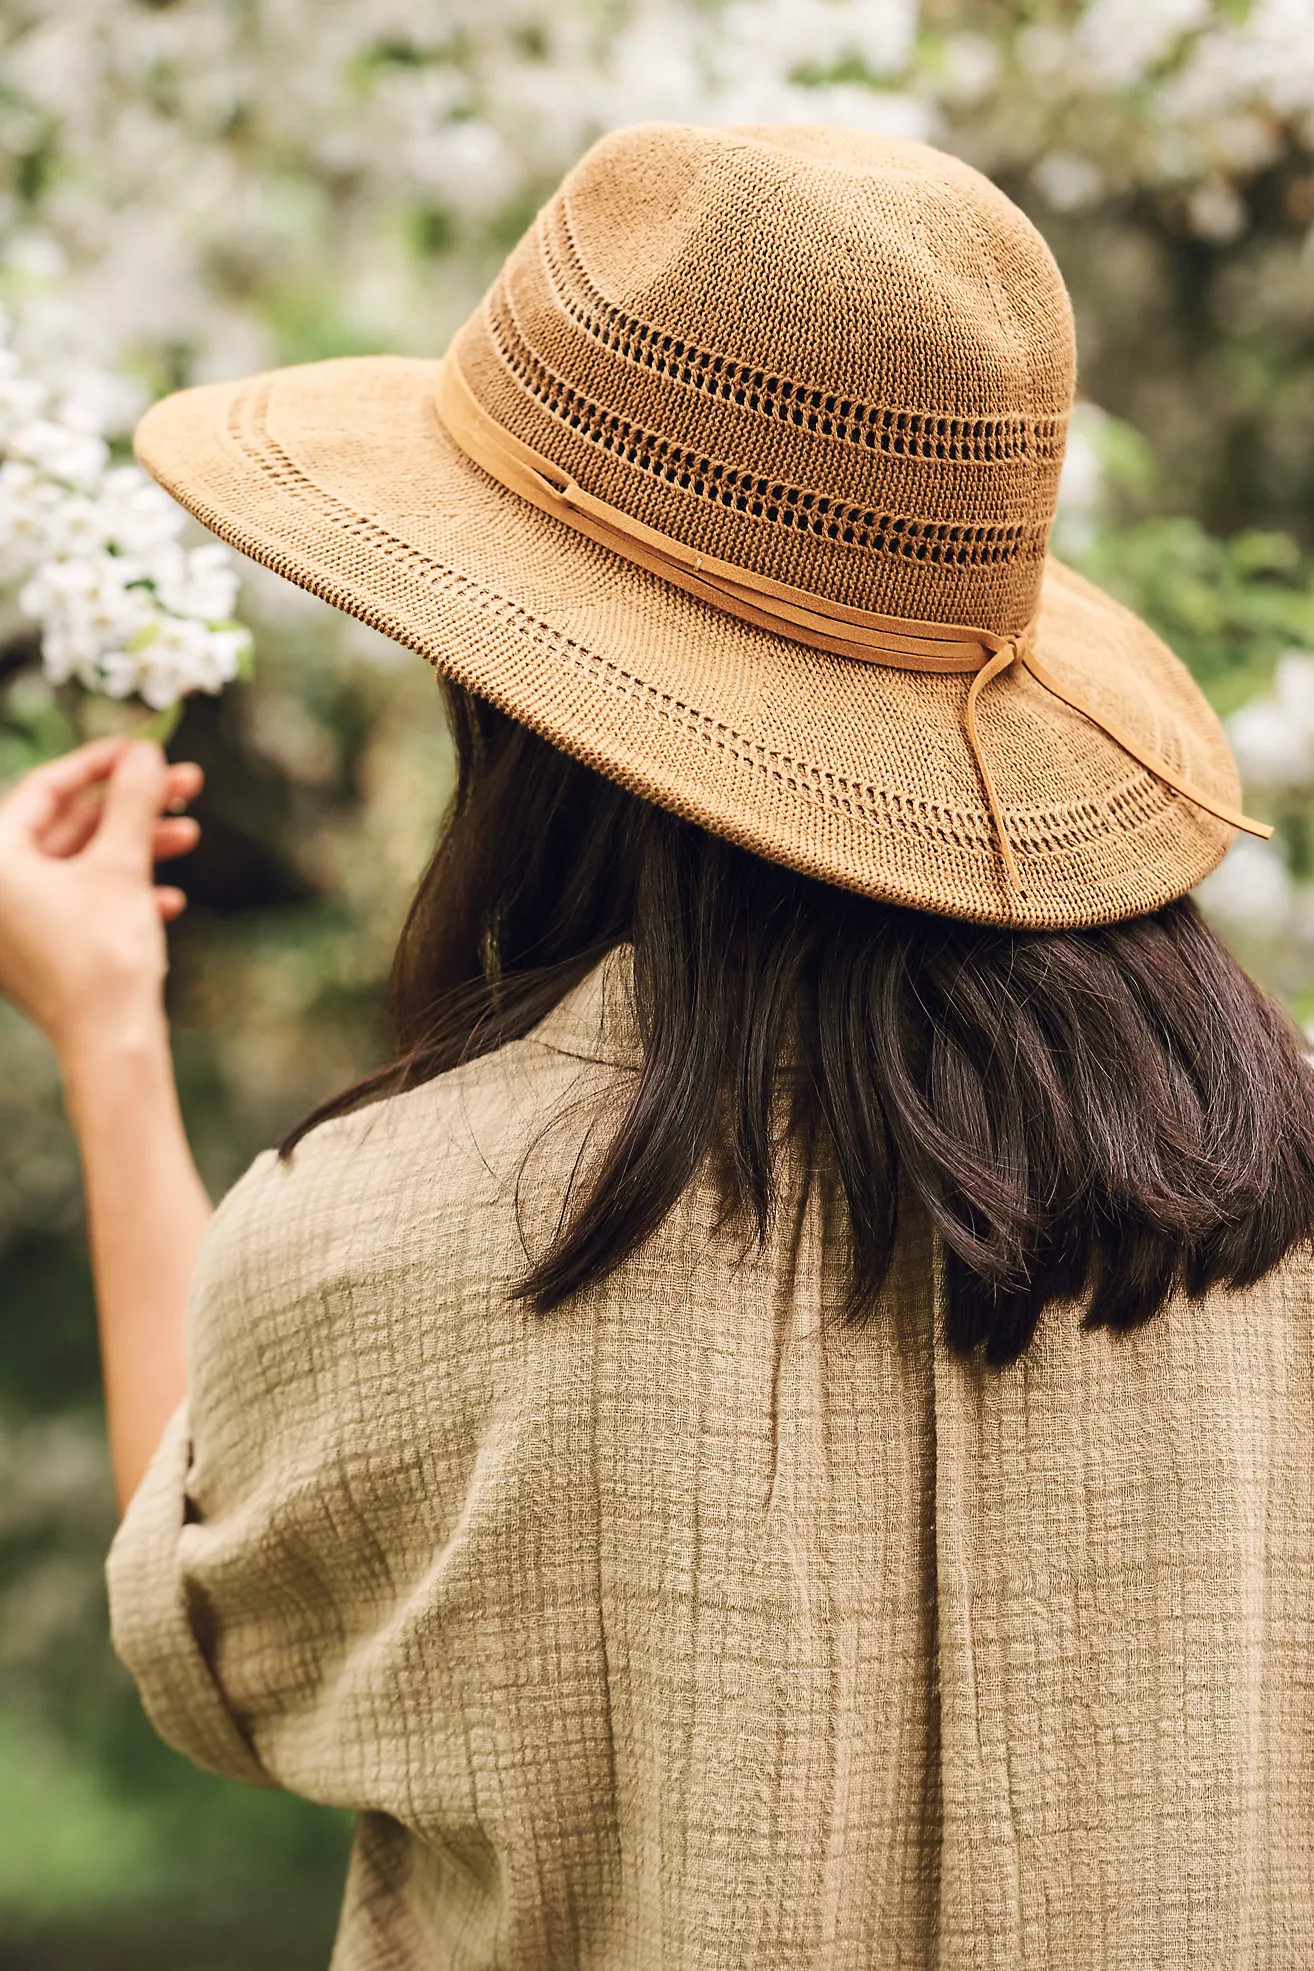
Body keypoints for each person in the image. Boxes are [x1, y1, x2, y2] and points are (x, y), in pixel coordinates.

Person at [2, 122, 1313, 1970]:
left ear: (509, 680)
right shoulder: (1266, 1185)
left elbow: (211, 1604)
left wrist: (108, 1027)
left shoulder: (433, 1226)